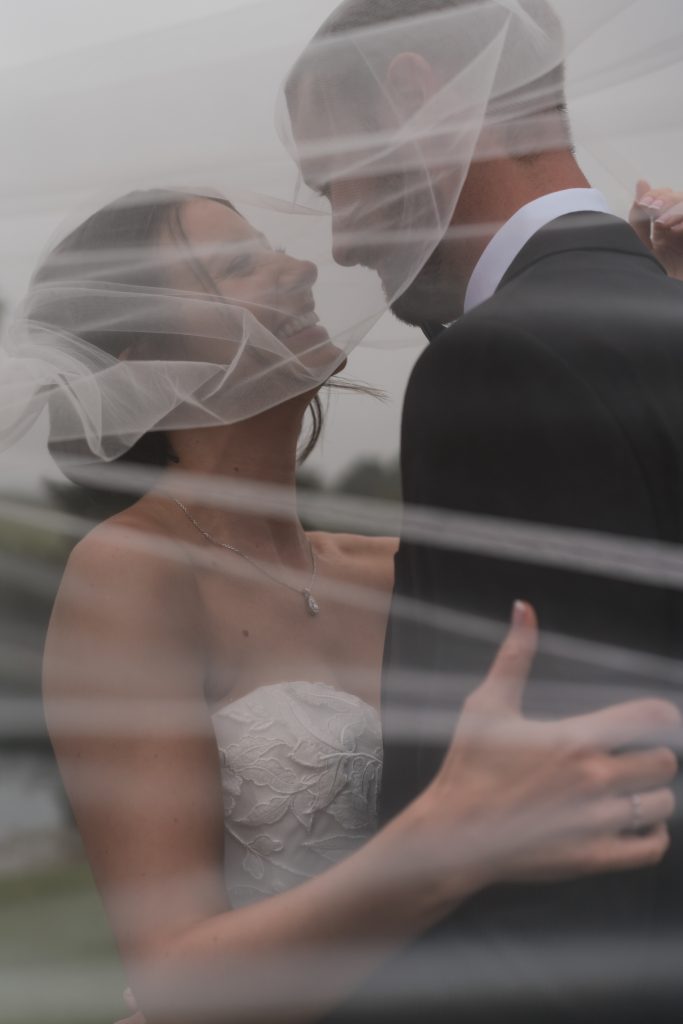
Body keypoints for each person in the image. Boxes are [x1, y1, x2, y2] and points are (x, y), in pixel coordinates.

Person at [24, 188, 678, 1024]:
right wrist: (444, 842)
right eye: (239, 265)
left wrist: (650, 315)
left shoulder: (390, 565)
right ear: (148, 353)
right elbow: (173, 976)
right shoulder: (131, 572)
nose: (300, 267)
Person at [285, 1, 683, 1020]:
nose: (337, 245)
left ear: (422, 99)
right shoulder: (660, 310)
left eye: (338, 182)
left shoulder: (497, 361)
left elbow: (545, 845)